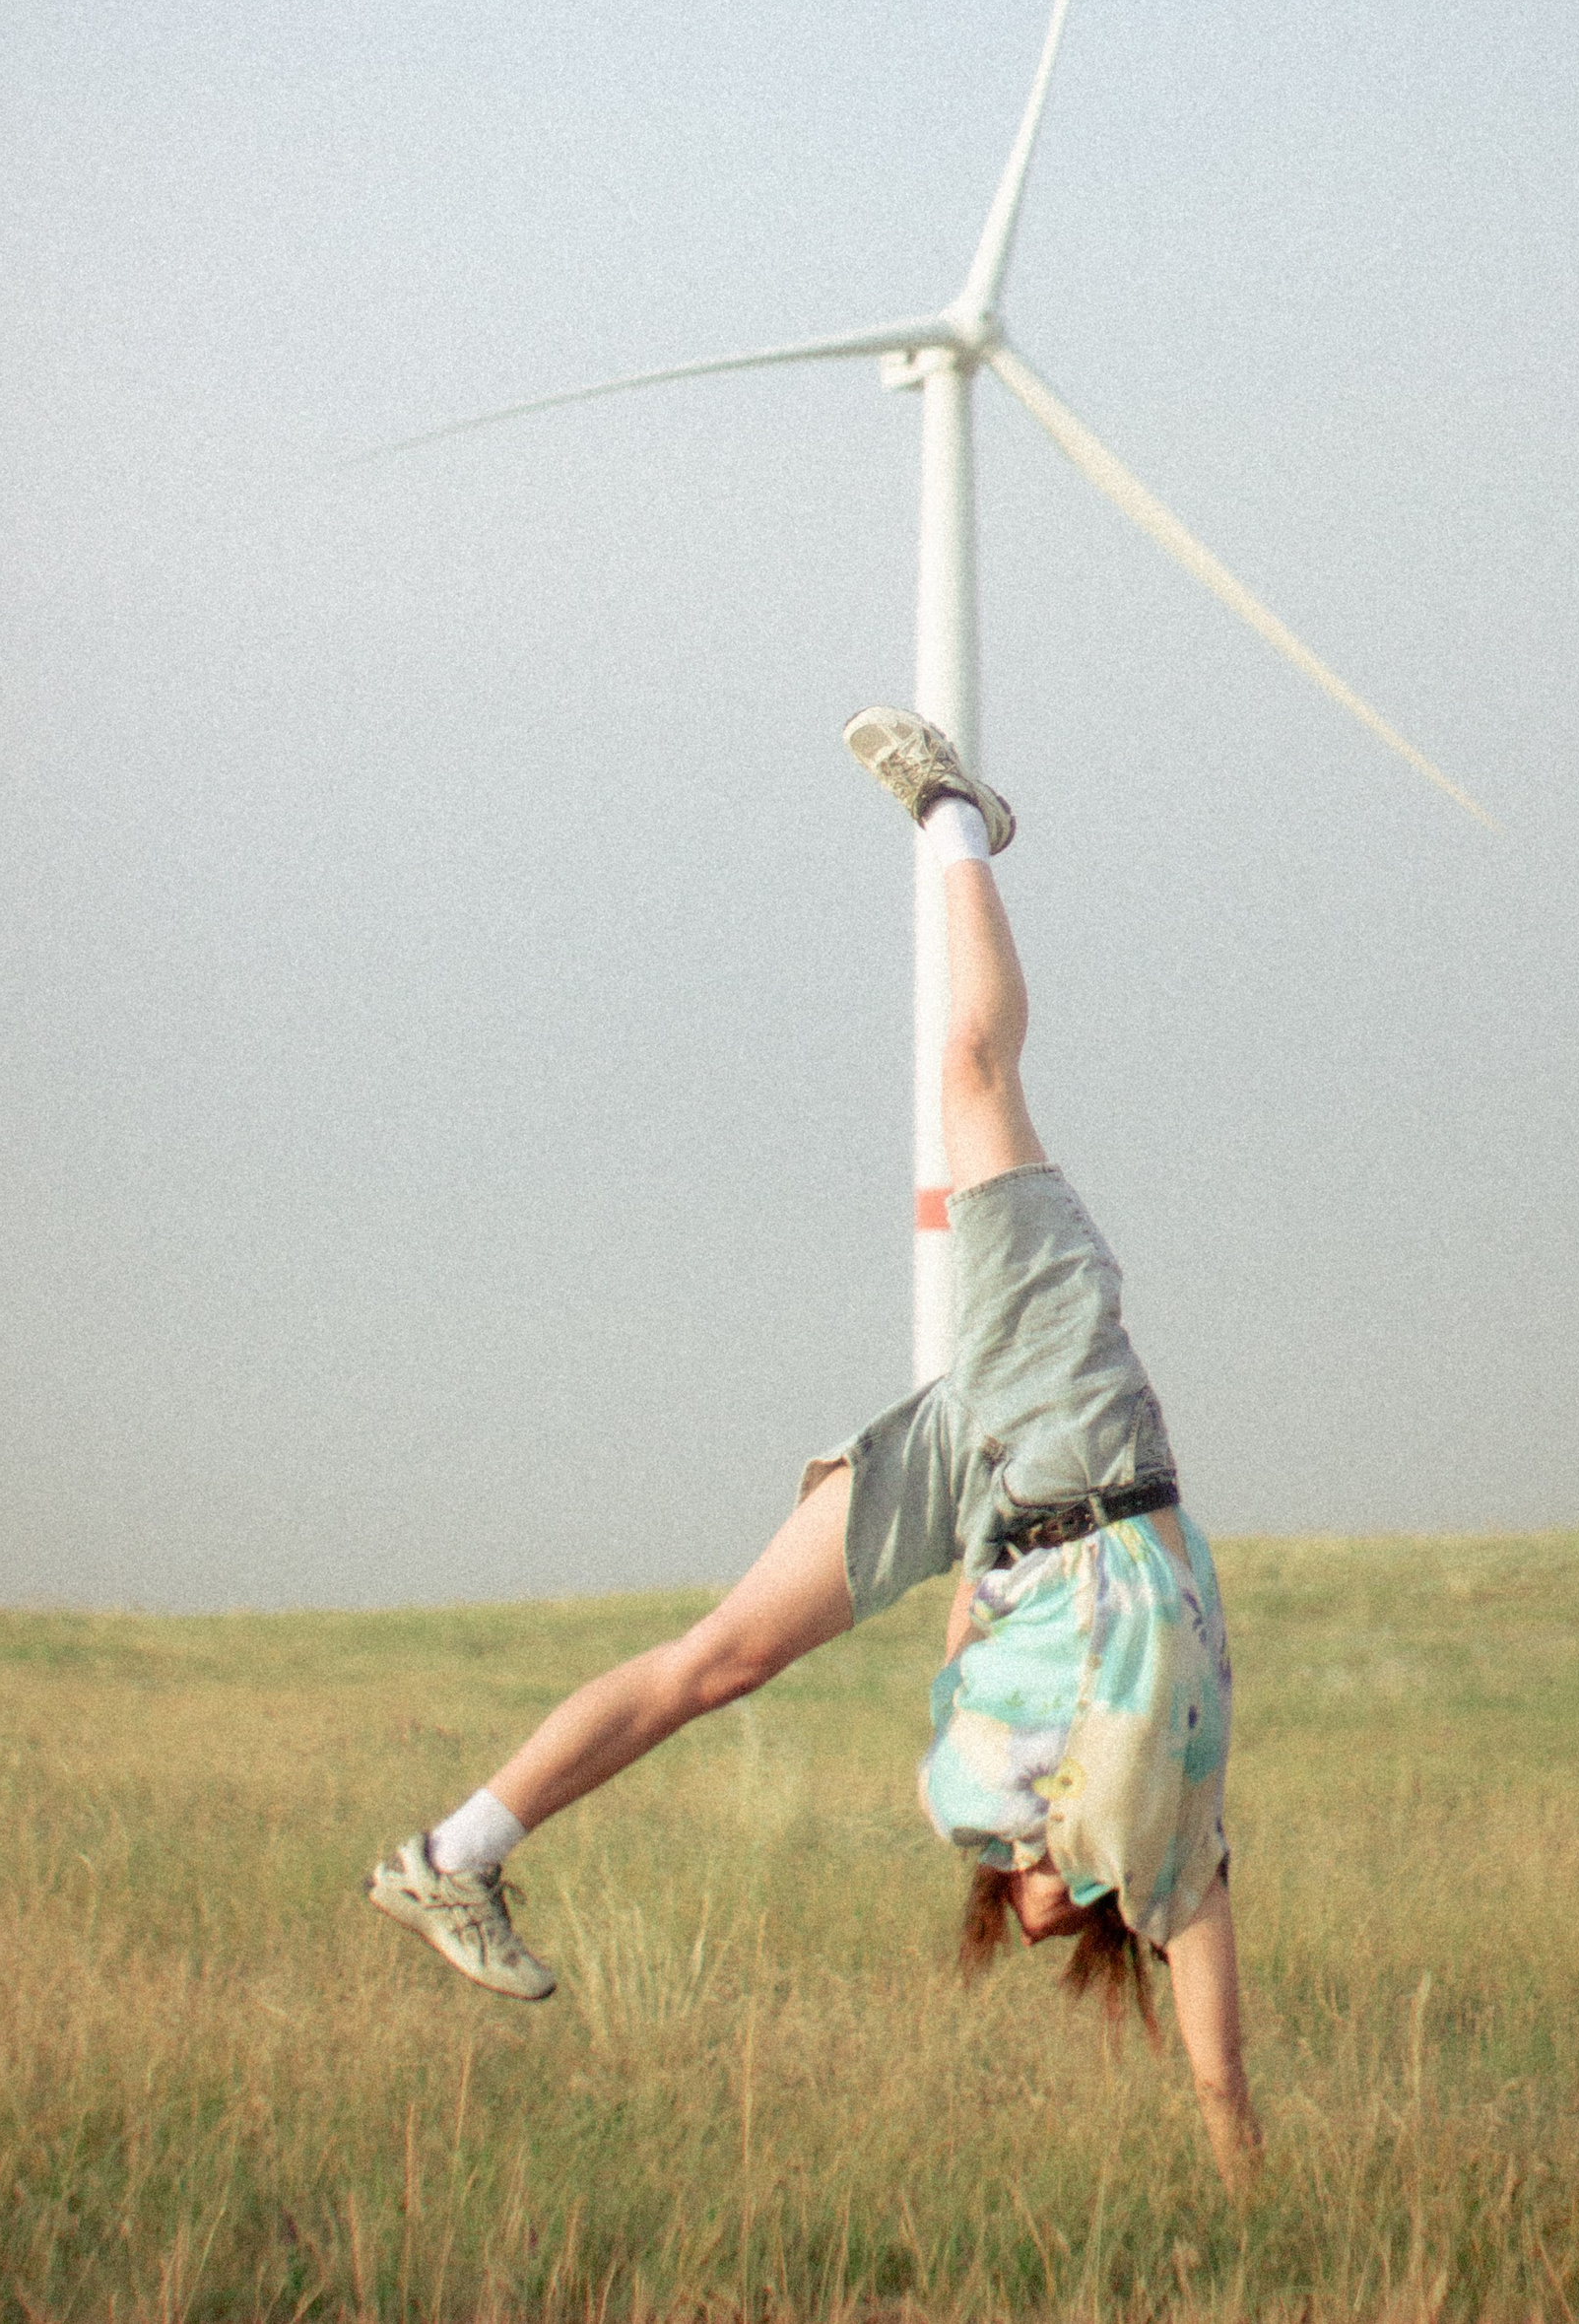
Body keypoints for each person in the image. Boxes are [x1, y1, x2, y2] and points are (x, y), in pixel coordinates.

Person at [365, 708, 1262, 2191]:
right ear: (1090, 1915)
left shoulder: (995, 1795)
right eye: (1033, 1904)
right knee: (972, 1073)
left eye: (1007, 1900)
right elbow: (1219, 2051)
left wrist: (980, 1593)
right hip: (1071, 1430)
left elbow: (982, 1645)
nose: (1017, 1899)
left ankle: (452, 1856)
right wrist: (1240, 2159)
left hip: (989, 1493)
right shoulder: (1167, 1848)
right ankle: (953, 812)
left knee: (719, 1659)